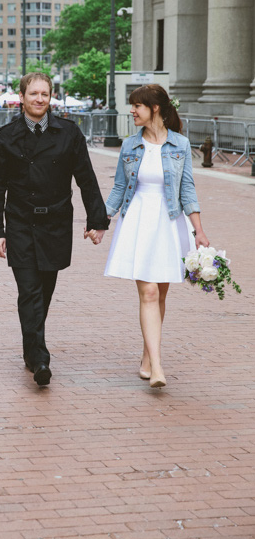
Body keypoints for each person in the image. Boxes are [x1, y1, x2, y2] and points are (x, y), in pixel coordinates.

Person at [0, 72, 110, 387]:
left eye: (45, 94)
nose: (40, 99)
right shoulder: (6, 136)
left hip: (55, 224)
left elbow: (86, 178)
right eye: (34, 94)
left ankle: (31, 348)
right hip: (20, 223)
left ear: (50, 97)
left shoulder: (69, 134)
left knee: (45, 290)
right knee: (29, 290)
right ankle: (40, 359)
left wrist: (97, 220)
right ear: (22, 97)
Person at [104, 84, 210, 389]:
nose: (132, 111)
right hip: (137, 219)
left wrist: (199, 230)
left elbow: (187, 189)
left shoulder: (180, 144)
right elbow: (120, 188)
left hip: (169, 221)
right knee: (148, 293)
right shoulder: (129, 146)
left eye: (137, 106)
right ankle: (158, 365)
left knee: (160, 294)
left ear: (155, 109)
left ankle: (147, 356)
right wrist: (101, 221)